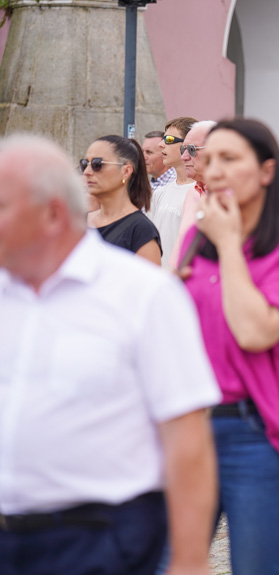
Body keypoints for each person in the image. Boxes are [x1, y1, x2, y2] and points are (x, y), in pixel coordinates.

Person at [0, 134, 220, 575]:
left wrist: (190, 559)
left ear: (52, 213)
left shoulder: (143, 293)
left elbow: (187, 437)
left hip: (98, 534)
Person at [180, 119, 279, 574]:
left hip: (255, 432)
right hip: (188, 429)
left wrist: (227, 244)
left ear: (266, 171)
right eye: (209, 159)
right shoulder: (195, 241)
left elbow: (255, 332)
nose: (214, 170)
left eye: (230, 158)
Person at [83, 135, 161, 265]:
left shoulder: (141, 230)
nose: (87, 171)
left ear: (126, 171)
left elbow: (150, 283)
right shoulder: (79, 222)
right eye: (84, 163)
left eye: (97, 164)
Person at [148, 116, 198, 267]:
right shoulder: (159, 193)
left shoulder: (200, 192)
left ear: (188, 146)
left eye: (169, 140)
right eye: (163, 139)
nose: (161, 145)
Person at [168, 120, 216, 269]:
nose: (184, 157)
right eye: (183, 149)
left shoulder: (231, 197)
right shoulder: (192, 193)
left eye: (192, 149)